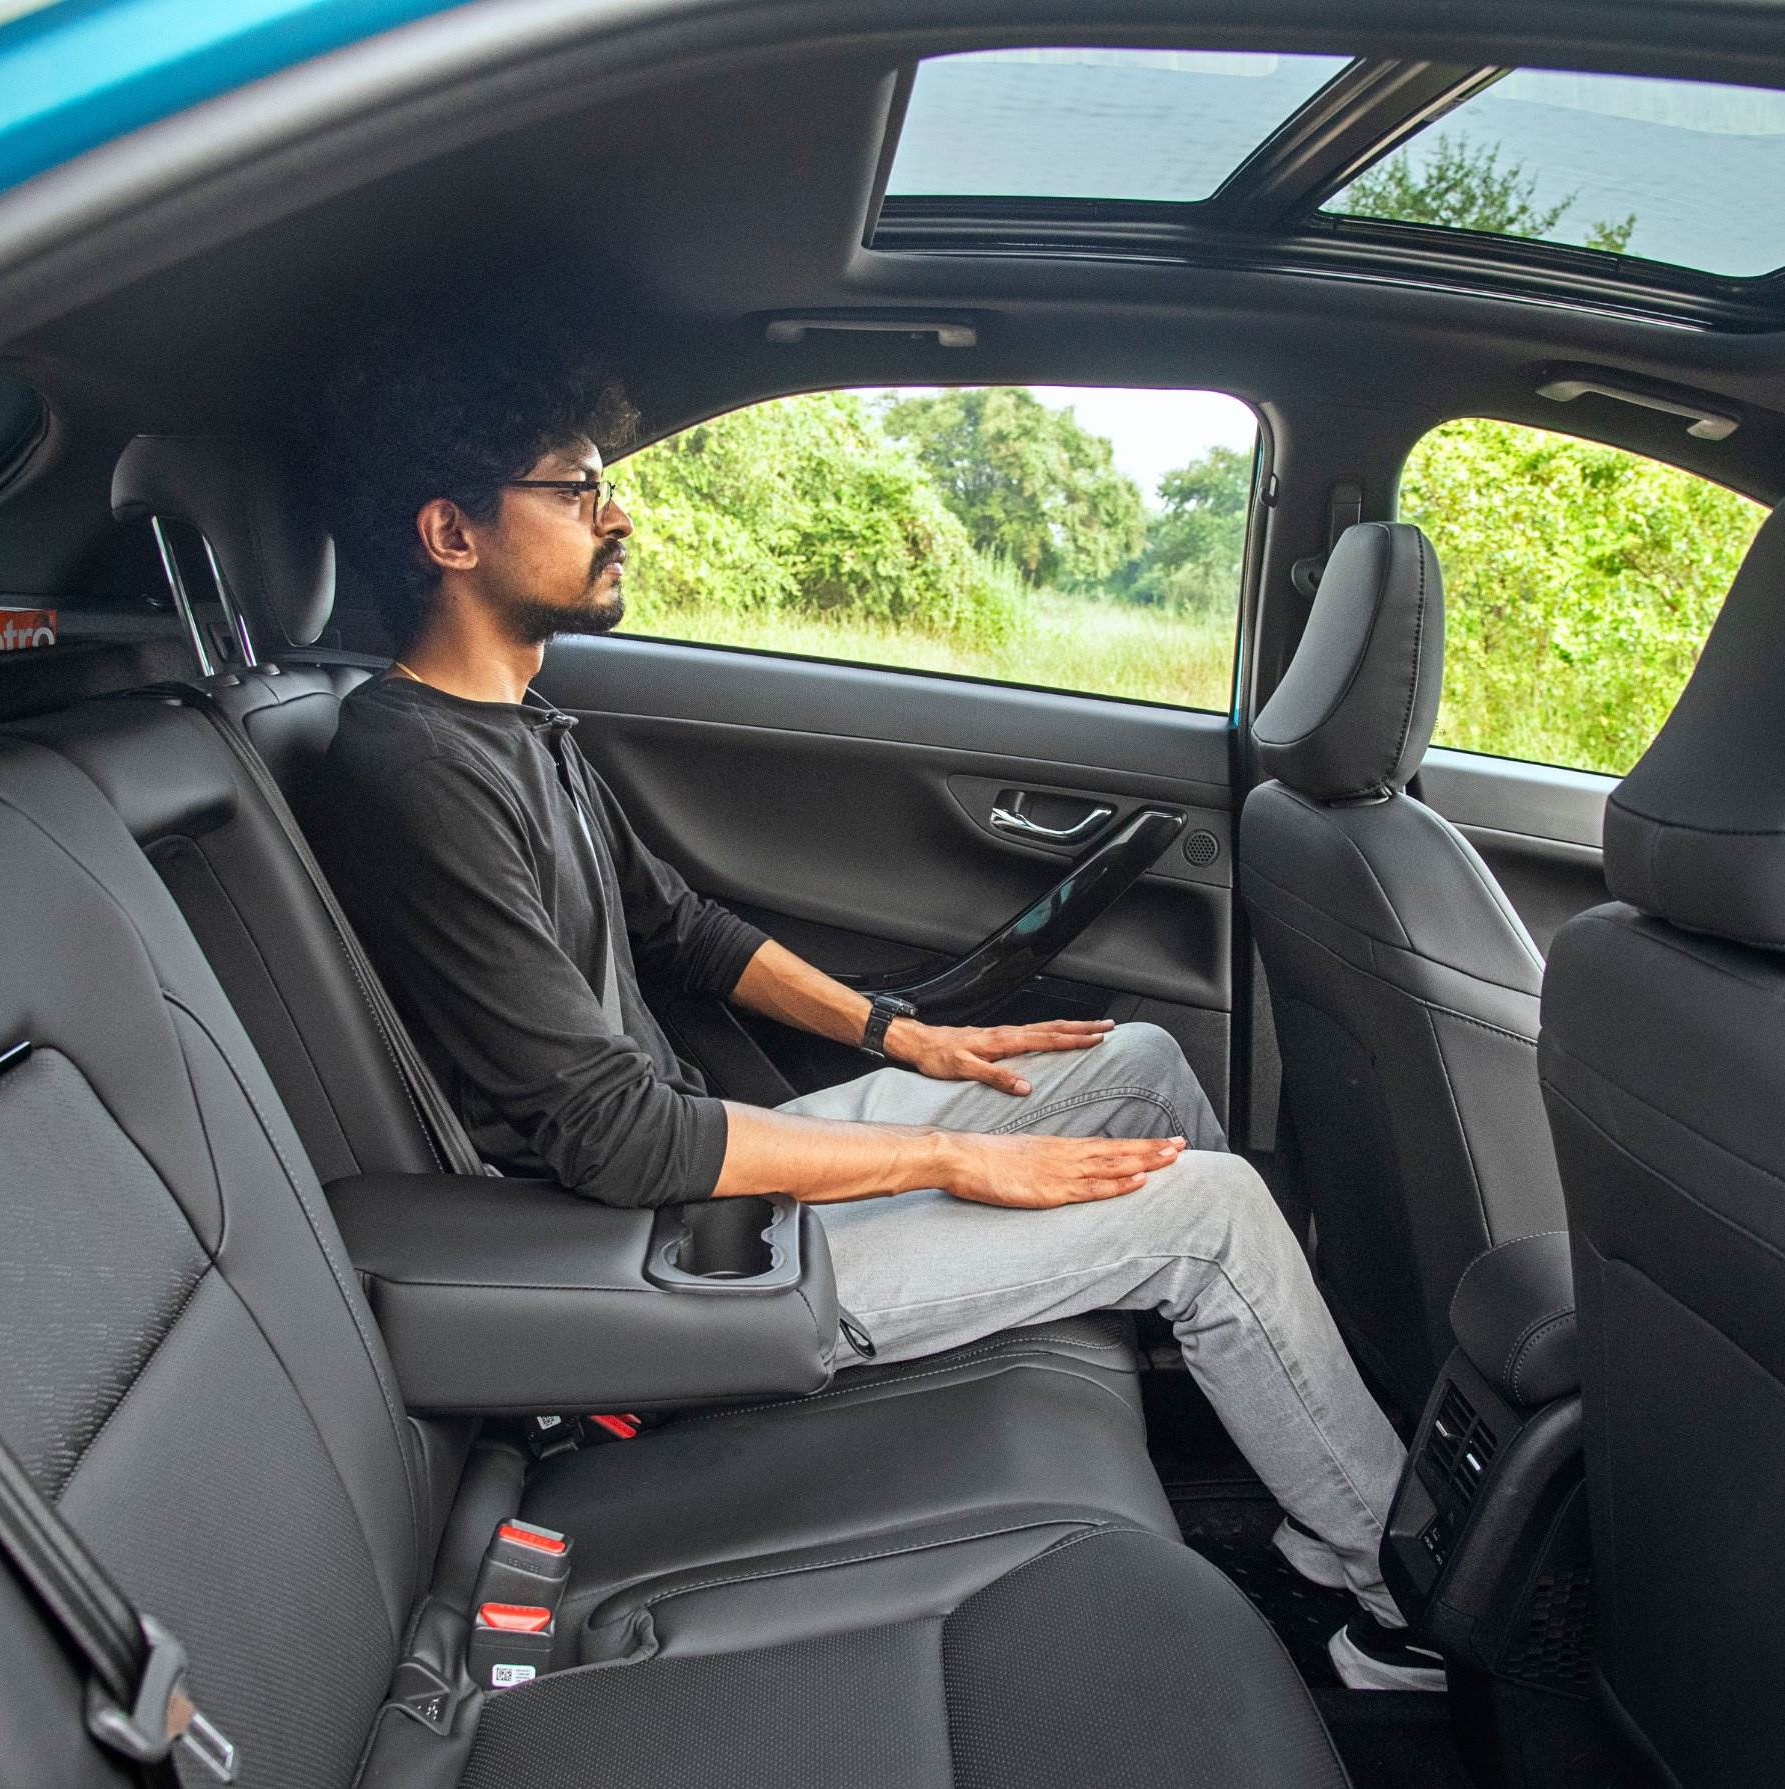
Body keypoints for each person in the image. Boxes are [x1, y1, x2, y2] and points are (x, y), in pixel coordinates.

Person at [303, 328, 1424, 1690]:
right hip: (651, 1270)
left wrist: (908, 1033)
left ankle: (1286, 1449)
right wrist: (956, 1156)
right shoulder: (407, 767)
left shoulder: (522, 727)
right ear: (450, 532)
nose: (619, 515)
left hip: (709, 1196)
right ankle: (1403, 1601)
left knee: (1132, 1060)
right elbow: (610, 1134)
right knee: (1210, 1209)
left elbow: (684, 929)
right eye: (577, 487)